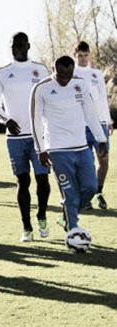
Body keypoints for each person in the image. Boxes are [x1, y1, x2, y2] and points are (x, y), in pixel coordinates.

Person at [31, 56, 107, 246]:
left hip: (81, 147)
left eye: (69, 74)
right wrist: (40, 149)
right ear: (53, 69)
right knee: (70, 193)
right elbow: (35, 121)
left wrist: (101, 139)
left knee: (90, 187)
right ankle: (73, 230)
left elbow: (90, 112)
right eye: (61, 75)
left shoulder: (80, 84)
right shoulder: (42, 88)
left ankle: (66, 214)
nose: (65, 79)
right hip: (57, 149)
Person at [0, 32, 51, 242]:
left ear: (28, 46)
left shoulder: (41, 70)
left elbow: (50, 97)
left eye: (21, 45)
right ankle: (26, 227)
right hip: (15, 138)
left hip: (39, 136)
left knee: (42, 179)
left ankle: (42, 214)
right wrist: (6, 120)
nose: (17, 48)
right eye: (13, 45)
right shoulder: (2, 73)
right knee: (22, 181)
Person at [74, 41, 113, 210]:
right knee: (86, 163)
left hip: (100, 123)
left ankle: (99, 191)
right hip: (81, 125)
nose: (83, 58)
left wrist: (109, 120)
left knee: (103, 160)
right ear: (75, 56)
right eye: (80, 55)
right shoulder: (71, 73)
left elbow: (103, 98)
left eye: (86, 55)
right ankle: (86, 196)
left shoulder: (96, 73)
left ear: (89, 55)